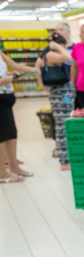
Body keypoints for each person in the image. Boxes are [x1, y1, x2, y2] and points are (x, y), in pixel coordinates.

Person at [36, 34, 75, 171]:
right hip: (59, 95)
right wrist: (57, 46)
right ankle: (64, 160)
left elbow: (37, 67)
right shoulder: (50, 55)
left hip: (63, 94)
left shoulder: (48, 55)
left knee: (65, 123)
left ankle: (66, 158)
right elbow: (68, 57)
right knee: (62, 126)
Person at [0, 50, 38, 183]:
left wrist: (9, 75)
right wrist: (3, 80)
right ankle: (2, 173)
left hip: (6, 98)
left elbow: (9, 66)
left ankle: (14, 167)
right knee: (2, 136)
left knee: (10, 133)